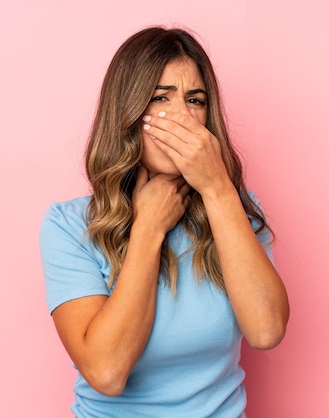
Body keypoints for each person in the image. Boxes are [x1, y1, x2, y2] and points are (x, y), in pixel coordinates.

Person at [39, 26, 289, 417]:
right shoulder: (69, 226)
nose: (183, 118)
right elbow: (106, 372)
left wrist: (218, 189)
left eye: (195, 100)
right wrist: (149, 228)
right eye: (160, 98)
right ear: (128, 111)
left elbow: (267, 331)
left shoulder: (236, 210)